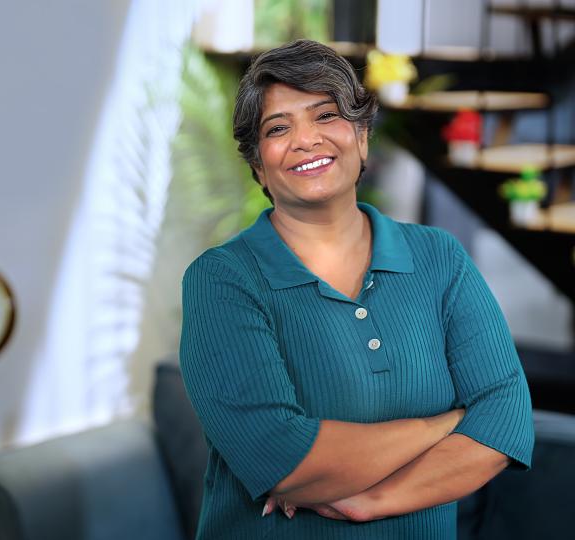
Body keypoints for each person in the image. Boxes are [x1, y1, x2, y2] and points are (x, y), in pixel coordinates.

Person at [179, 39, 534, 539]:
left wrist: (375, 500)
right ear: (259, 166)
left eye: (326, 116)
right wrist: (444, 424)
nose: (306, 139)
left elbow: (506, 421)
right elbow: (282, 459)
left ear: (362, 138)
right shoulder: (223, 279)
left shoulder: (439, 259)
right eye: (278, 128)